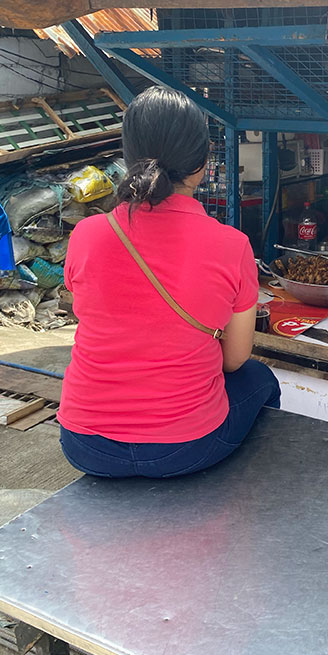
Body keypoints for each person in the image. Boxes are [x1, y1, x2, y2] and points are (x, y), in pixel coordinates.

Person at [58, 86, 280, 478]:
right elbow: (234, 359)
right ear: (202, 163)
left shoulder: (86, 235)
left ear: (128, 158)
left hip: (84, 445)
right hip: (185, 448)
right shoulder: (233, 245)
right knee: (259, 378)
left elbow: (95, 321)